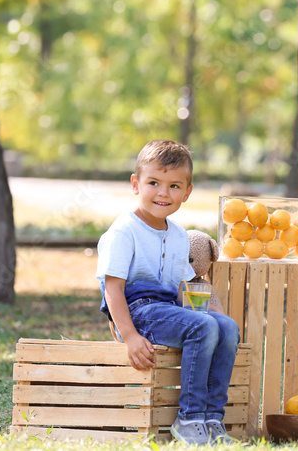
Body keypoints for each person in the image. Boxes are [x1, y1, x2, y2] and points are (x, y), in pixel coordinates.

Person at [96, 140, 239, 445]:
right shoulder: (124, 231)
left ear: (187, 192)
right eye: (153, 183)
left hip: (168, 310)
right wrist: (131, 336)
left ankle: (211, 419)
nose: (163, 193)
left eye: (174, 186)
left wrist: (217, 317)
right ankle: (188, 419)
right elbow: (113, 288)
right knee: (203, 326)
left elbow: (184, 286)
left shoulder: (176, 235)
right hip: (138, 310)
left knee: (226, 326)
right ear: (136, 184)